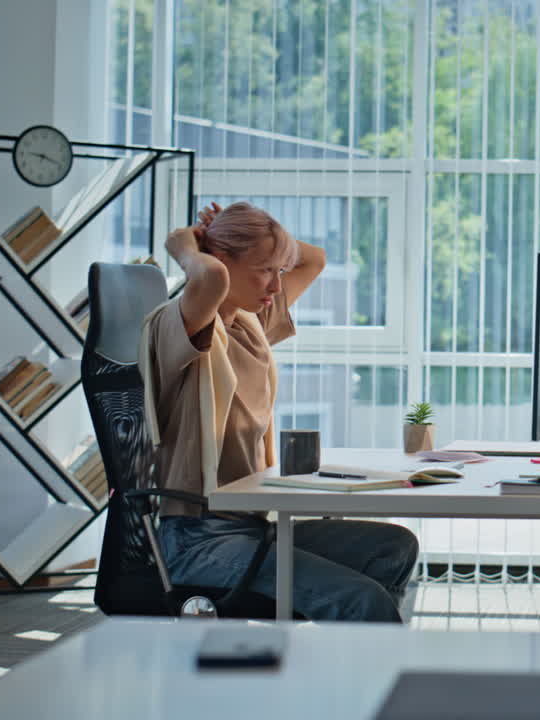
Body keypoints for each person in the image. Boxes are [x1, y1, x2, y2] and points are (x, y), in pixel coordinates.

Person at [140, 201, 418, 622]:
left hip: (251, 527)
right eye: (264, 269)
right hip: (200, 541)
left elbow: (313, 259)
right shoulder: (182, 327)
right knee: (363, 602)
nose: (275, 284)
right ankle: (374, 679)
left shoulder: (251, 324)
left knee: (393, 547)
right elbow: (211, 276)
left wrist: (266, 236)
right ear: (220, 262)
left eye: (277, 270)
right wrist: (184, 246)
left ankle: (347, 671)